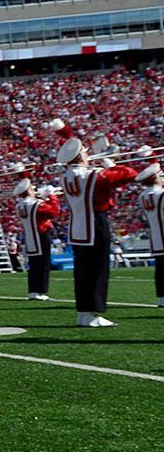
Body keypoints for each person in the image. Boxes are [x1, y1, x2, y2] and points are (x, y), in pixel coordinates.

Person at [50, 120, 138, 327]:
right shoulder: (93, 175)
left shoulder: (66, 176)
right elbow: (130, 175)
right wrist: (110, 162)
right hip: (95, 224)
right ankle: (93, 314)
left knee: (82, 271)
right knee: (98, 270)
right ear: (80, 156)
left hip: (78, 227)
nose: (89, 155)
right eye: (86, 153)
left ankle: (84, 312)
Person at [12, 179, 60, 301]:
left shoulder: (20, 205)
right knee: (43, 264)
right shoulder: (36, 204)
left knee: (34, 265)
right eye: (32, 189)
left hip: (30, 236)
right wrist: (51, 196)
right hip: (41, 235)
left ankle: (33, 290)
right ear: (28, 190)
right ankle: (41, 291)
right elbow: (54, 211)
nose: (34, 191)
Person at [136, 162, 164, 306]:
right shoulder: (161, 193)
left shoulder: (143, 195)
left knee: (160, 268)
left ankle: (161, 297)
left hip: (156, 236)